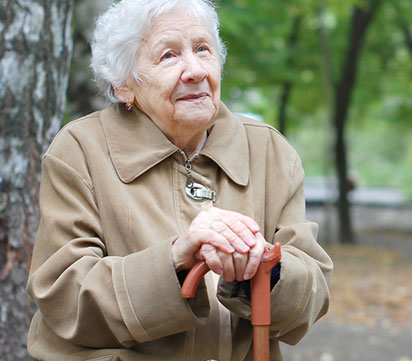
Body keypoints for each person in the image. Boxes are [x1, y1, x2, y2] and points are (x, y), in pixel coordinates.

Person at [26, 0, 333, 360]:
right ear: (124, 86)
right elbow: (64, 297)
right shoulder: (80, 150)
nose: (195, 70)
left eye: (203, 49)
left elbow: (313, 291)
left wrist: (265, 267)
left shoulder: (268, 150)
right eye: (169, 56)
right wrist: (174, 260)